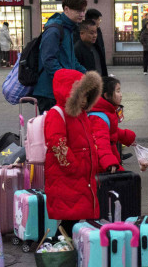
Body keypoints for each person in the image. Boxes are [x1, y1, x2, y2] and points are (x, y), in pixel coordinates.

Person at [44, 69, 109, 238]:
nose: (85, 101)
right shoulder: (57, 114)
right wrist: (76, 167)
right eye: (82, 95)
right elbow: (57, 144)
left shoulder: (81, 115)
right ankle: (58, 248)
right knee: (70, 218)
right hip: (68, 177)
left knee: (75, 217)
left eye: (88, 96)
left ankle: (68, 246)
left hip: (81, 177)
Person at [34, 0, 87, 113]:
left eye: (83, 11)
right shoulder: (54, 30)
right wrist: (65, 80)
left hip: (61, 89)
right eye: (78, 11)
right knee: (53, 128)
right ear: (66, 9)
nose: (82, 14)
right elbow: (48, 60)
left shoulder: (68, 29)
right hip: (49, 92)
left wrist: (86, 74)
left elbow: (72, 60)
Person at [88, 75, 135, 168]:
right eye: (117, 91)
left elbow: (111, 131)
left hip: (111, 157)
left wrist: (126, 136)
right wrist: (109, 162)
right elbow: (101, 142)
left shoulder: (107, 110)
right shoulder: (98, 118)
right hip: (103, 165)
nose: (121, 94)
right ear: (107, 95)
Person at [83, 8, 109, 77]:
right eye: (99, 20)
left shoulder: (98, 30)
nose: (99, 22)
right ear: (93, 20)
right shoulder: (83, 32)